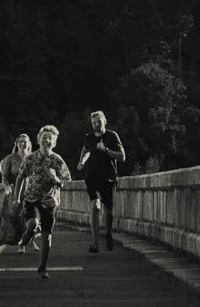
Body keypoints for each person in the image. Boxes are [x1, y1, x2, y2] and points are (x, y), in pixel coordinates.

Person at [16, 124, 72, 279]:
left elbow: (66, 179)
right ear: (38, 139)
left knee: (47, 236)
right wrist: (16, 198)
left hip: (50, 201)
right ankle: (25, 239)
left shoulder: (57, 160)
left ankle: (42, 267)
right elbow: (20, 177)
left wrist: (56, 179)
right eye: (44, 137)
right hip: (31, 197)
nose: (47, 140)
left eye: (50, 138)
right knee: (32, 225)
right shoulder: (30, 158)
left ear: (54, 143)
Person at [77, 110, 126, 252]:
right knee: (95, 207)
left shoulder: (112, 136)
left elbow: (122, 157)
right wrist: (82, 162)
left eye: (98, 121)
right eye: (94, 123)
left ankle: (109, 233)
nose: (96, 124)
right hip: (92, 177)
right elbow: (85, 150)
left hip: (109, 178)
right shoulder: (89, 137)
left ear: (104, 121)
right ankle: (95, 243)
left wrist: (106, 150)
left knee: (108, 210)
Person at [0, 133, 33, 249]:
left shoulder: (33, 158)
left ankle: (29, 242)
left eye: (25, 141)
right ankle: (20, 241)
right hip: (14, 192)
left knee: (30, 217)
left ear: (29, 144)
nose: (23, 143)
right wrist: (7, 186)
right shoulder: (10, 158)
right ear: (17, 144)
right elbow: (4, 176)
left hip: (30, 191)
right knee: (16, 217)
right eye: (20, 141)